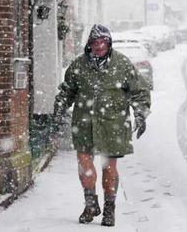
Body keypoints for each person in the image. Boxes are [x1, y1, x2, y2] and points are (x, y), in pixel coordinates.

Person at [52, 24, 151, 226]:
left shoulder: (122, 64)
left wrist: (140, 113)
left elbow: (139, 91)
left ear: (109, 43)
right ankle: (90, 204)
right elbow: (66, 91)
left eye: (103, 42)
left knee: (109, 167)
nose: (99, 46)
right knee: (84, 164)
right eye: (95, 42)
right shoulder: (79, 66)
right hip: (84, 123)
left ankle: (109, 209)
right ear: (89, 44)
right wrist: (59, 108)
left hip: (113, 124)